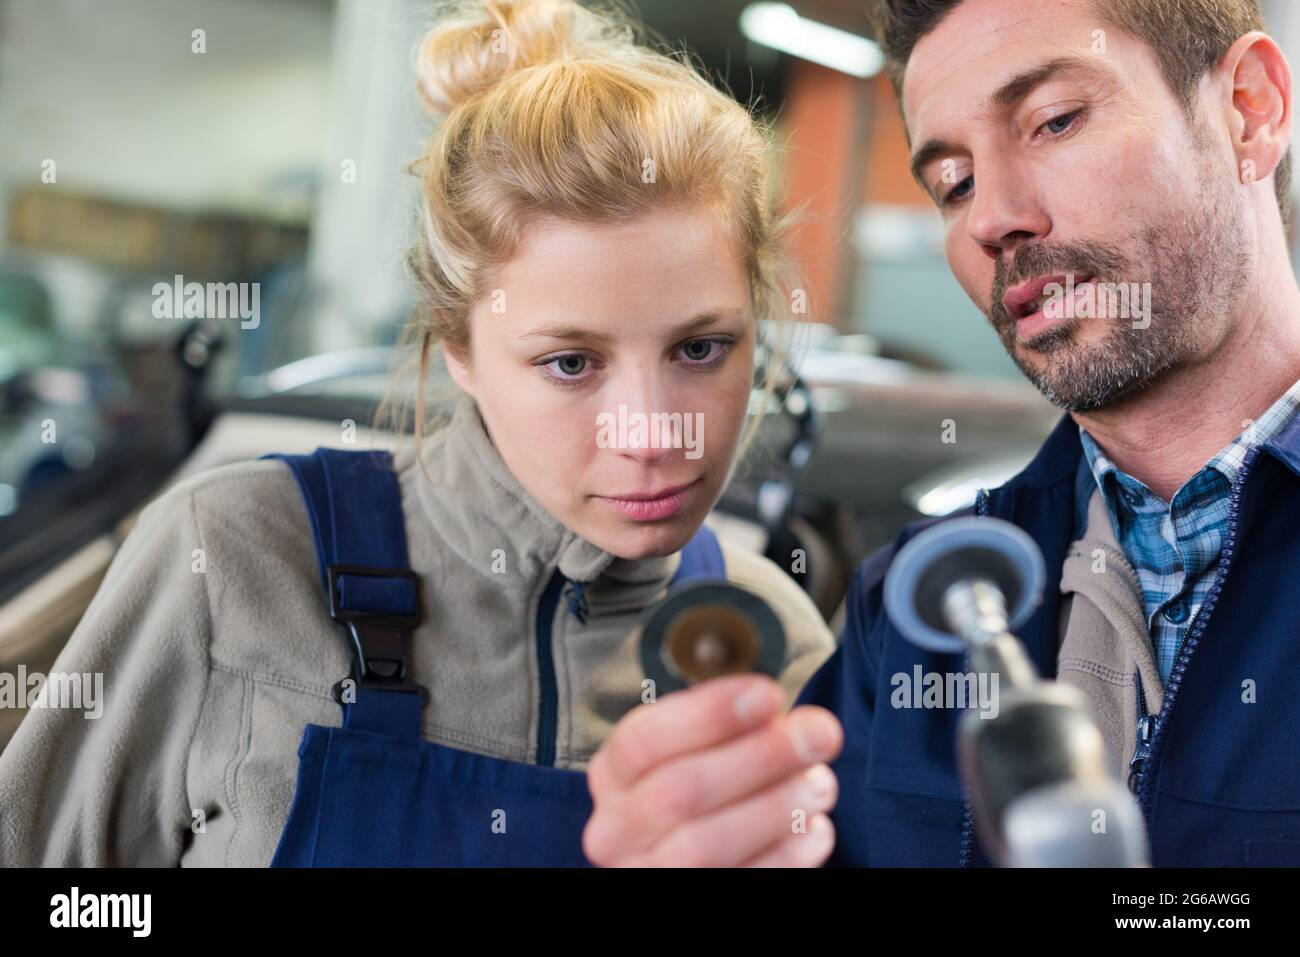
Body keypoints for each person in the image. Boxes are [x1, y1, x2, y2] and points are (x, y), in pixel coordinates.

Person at [0, 0, 837, 867]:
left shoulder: (770, 644)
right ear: (460, 349)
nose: (651, 433)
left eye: (701, 347)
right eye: (570, 364)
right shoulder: (233, 560)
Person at [583, 0, 1300, 867]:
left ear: (1250, 108)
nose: (992, 217)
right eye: (954, 183)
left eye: (1055, 121)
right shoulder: (911, 608)